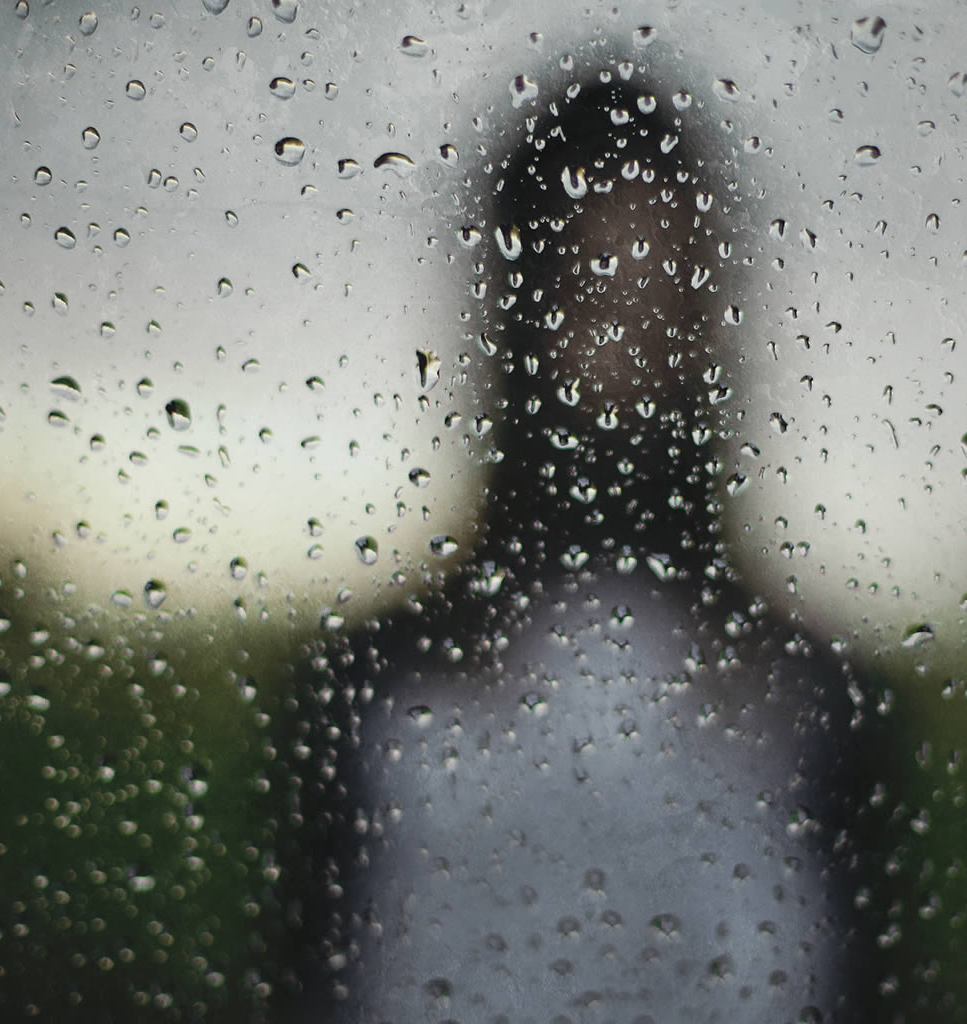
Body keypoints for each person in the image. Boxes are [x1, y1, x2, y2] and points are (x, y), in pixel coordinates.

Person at [300, 66, 881, 1022]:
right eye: (594, 280)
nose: (631, 339)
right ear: (520, 307)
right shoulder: (374, 690)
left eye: (664, 283)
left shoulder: (814, 708)